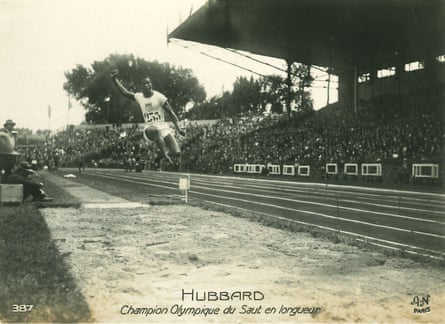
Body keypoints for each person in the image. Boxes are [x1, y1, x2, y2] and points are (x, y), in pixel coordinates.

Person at [110, 69, 185, 165]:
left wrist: (179, 128)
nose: (147, 85)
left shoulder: (160, 97)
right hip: (149, 128)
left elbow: (171, 113)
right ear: (141, 87)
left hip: (163, 126)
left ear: (151, 84)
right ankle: (164, 155)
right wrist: (114, 80)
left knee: (177, 153)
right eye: (144, 84)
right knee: (155, 130)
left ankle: (161, 156)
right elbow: (125, 93)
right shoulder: (139, 97)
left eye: (148, 83)